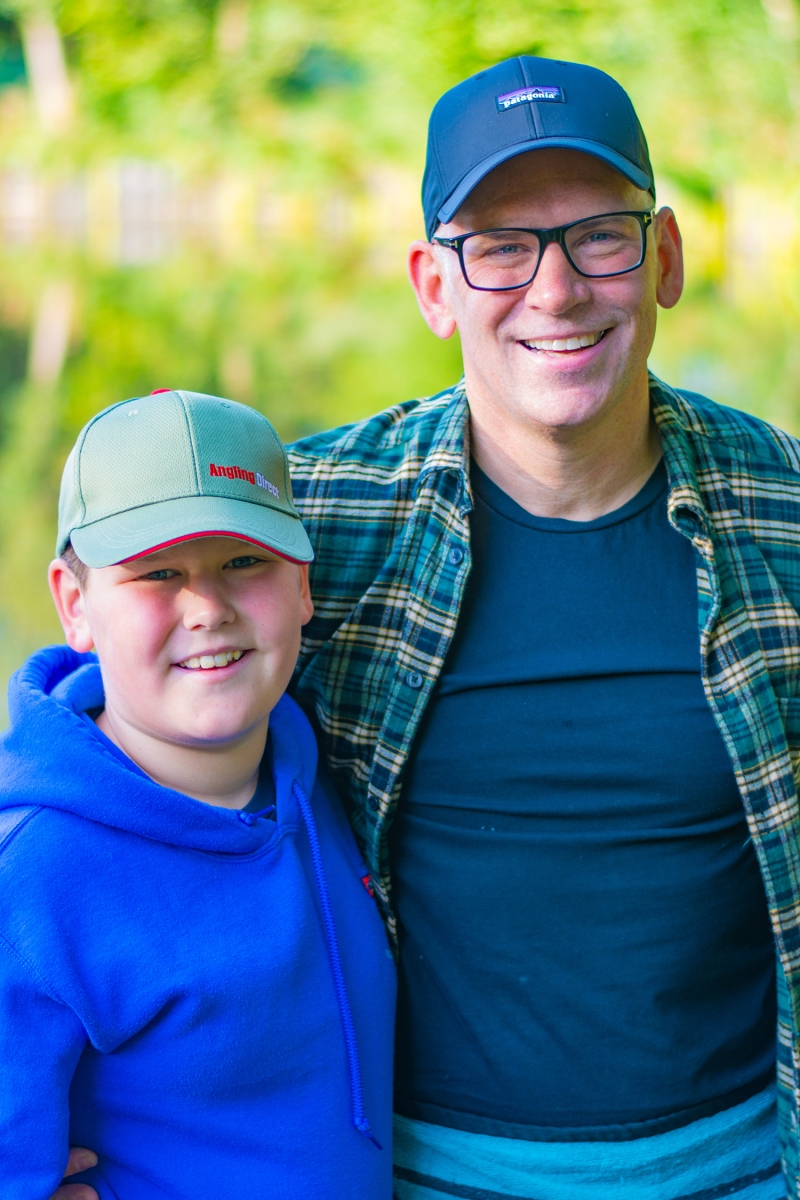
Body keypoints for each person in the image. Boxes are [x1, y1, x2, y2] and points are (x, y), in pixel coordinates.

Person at [51, 53, 800, 1200]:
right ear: (432, 285)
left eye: (598, 236)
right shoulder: (319, 519)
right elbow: (103, 723)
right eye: (498, 246)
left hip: (743, 1166)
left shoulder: (779, 507)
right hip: (416, 1176)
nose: (554, 291)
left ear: (662, 258)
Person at [0, 390, 395, 1199]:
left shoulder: (315, 764)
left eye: (244, 562)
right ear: (75, 604)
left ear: (303, 585)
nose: (208, 608)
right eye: (157, 573)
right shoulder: (35, 872)